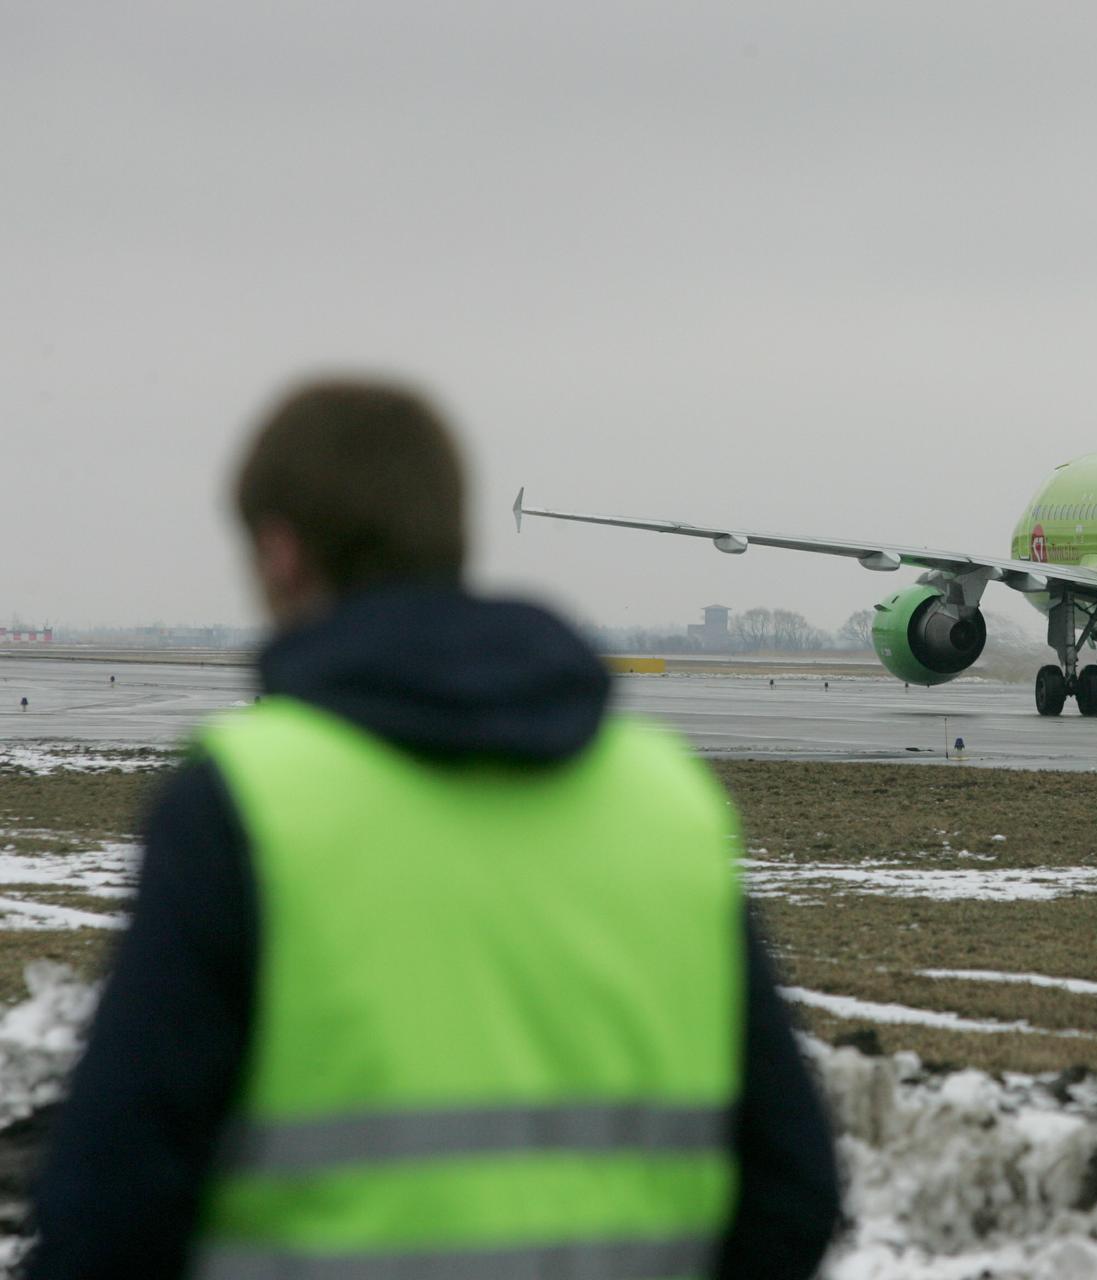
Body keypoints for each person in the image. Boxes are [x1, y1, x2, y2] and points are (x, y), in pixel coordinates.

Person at [28, 380, 841, 1279]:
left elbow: (108, 1212)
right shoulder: (668, 798)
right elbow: (793, 1190)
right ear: (452, 535)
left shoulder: (247, 802)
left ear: (281, 551)